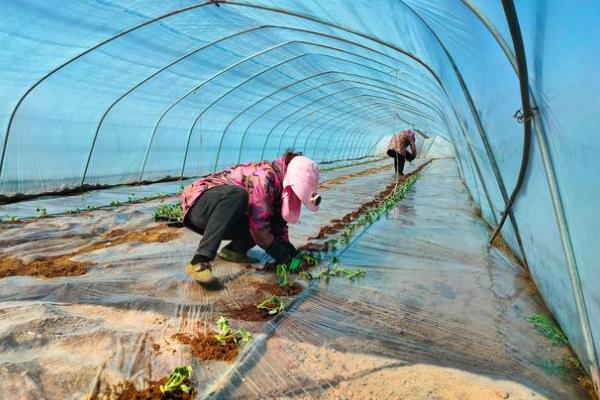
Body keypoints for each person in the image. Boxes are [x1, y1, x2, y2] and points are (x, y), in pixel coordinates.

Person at [180, 151, 321, 285]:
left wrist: (294, 255)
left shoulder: (280, 188)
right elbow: (258, 228)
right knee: (238, 195)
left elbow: (278, 229)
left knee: (267, 218)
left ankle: (234, 250)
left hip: (223, 214)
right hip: (200, 205)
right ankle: (199, 261)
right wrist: (285, 260)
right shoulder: (266, 177)